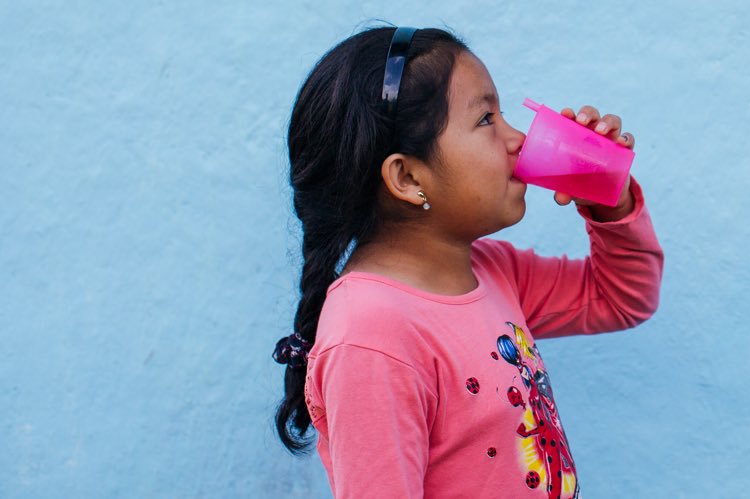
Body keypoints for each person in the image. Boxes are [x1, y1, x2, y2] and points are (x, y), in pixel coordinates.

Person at [269, 25, 664, 498]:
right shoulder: (371, 336)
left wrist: (610, 202)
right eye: (485, 120)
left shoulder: (492, 270)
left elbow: (620, 298)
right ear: (408, 176)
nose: (517, 138)